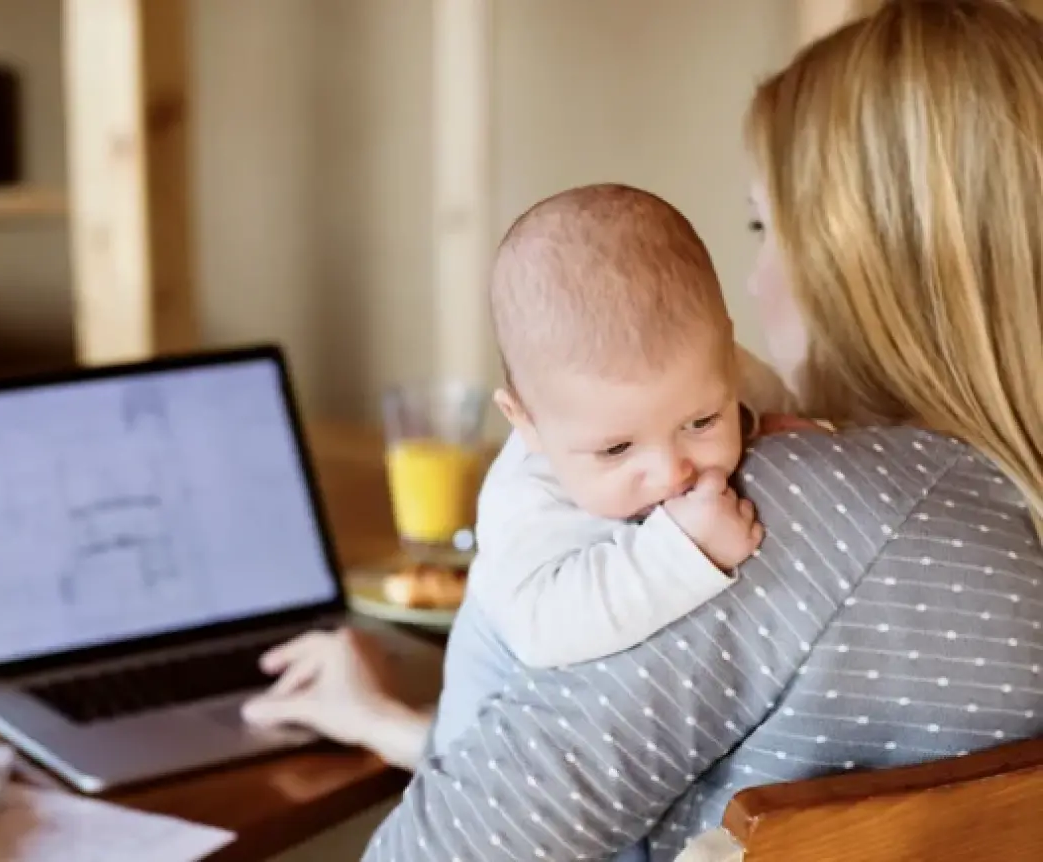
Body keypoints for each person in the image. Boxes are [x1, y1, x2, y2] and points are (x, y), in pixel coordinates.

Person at [250, 2, 1043, 859]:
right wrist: (400, 726)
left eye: (762, 226)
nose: (753, 273)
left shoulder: (794, 512)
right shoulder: (988, 505)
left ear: (856, 260)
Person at [473, 183, 790, 673]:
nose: (670, 473)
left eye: (702, 421)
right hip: (497, 714)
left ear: (728, 355)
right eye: (617, 449)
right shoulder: (525, 499)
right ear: (526, 422)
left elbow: (779, 409)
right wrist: (686, 549)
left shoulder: (727, 373)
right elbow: (541, 630)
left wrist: (800, 431)